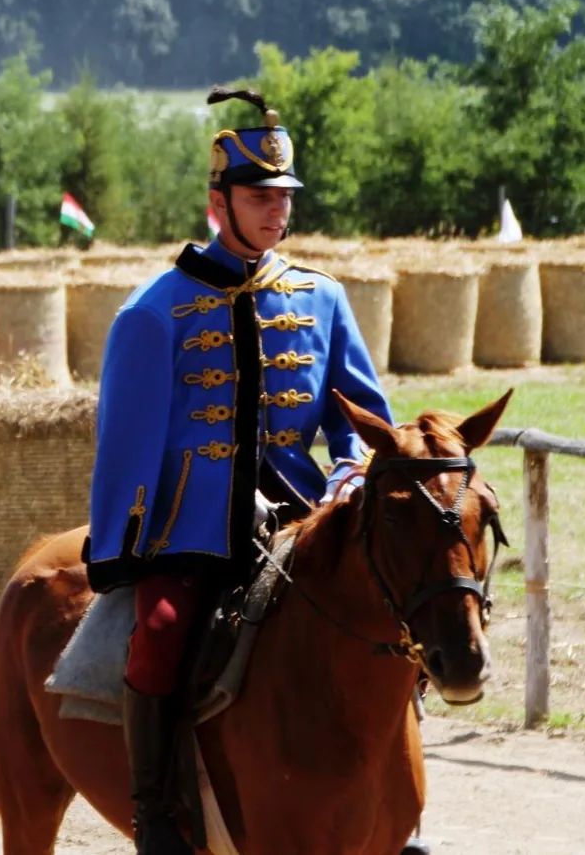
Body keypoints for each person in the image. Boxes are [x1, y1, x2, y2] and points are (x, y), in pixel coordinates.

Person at [84, 88, 407, 855]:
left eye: (285, 197)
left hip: (305, 514)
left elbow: (360, 418)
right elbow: (125, 444)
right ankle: (158, 811)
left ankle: (391, 803)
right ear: (218, 202)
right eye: (261, 196)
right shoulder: (153, 312)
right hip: (193, 528)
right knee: (159, 637)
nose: (278, 211)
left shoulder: (320, 299)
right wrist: (125, 546)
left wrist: (351, 472)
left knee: (394, 625)